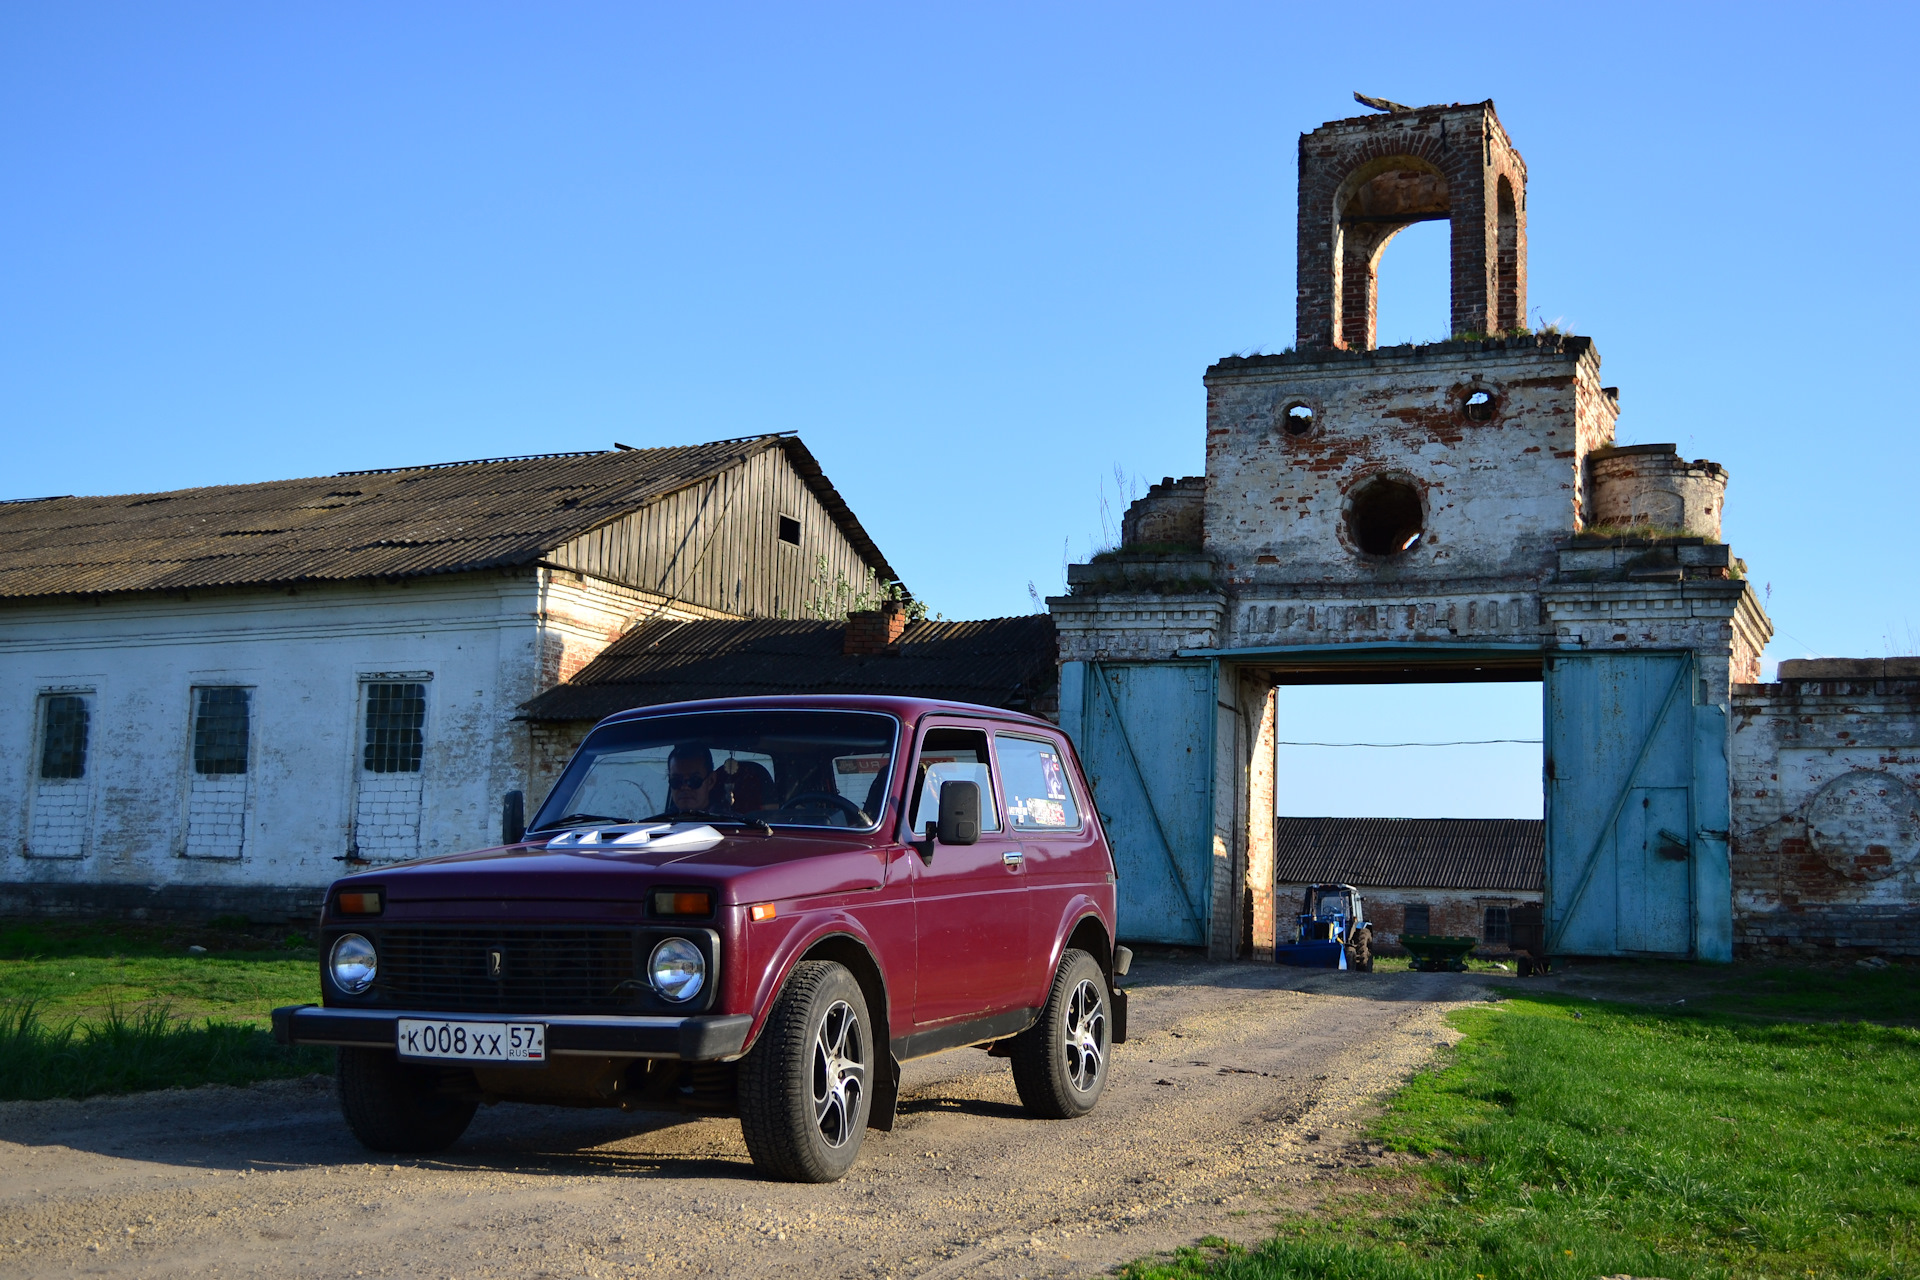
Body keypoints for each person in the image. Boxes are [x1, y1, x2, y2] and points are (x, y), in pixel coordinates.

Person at [665, 743, 719, 816]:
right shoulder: (657, 824)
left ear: (711, 781)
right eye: (676, 781)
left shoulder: (731, 824)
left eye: (694, 780)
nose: (684, 787)